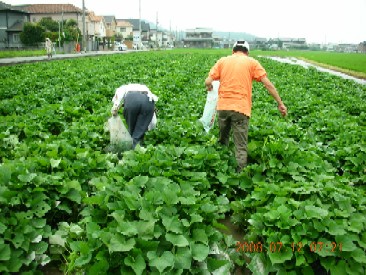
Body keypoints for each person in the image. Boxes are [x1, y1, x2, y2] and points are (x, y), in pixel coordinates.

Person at [204, 40, 287, 173]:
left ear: (233, 51)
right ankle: (240, 175)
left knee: (222, 139)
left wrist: (209, 86)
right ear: (247, 52)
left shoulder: (223, 61)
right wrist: (280, 103)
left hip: (223, 108)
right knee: (240, 146)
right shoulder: (251, 62)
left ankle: (219, 169)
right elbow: (268, 84)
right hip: (241, 109)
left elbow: (208, 80)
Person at [111, 83, 158, 148]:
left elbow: (116, 103)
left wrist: (114, 113)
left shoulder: (122, 88)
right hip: (149, 103)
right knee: (139, 133)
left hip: (132, 101)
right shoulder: (145, 88)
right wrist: (148, 128)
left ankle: (131, 152)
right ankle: (137, 148)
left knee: (132, 132)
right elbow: (153, 121)